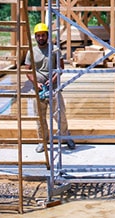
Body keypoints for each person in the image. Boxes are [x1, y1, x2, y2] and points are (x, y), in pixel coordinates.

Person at [24, 22, 75, 150]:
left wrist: (53, 79)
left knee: (60, 114)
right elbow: (27, 70)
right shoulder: (32, 51)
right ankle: (43, 141)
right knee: (40, 117)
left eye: (43, 35)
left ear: (47, 36)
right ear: (35, 37)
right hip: (38, 90)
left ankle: (66, 136)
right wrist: (36, 83)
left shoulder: (54, 49)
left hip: (54, 88)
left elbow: (61, 67)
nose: (41, 38)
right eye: (38, 35)